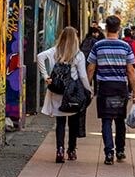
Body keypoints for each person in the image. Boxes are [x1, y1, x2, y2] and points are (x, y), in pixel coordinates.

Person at [87, 16, 135, 165]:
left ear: (106, 28)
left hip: (104, 88)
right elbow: (130, 71)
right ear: (119, 28)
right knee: (120, 119)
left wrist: (87, 87)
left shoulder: (98, 46)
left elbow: (91, 68)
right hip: (120, 88)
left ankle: (108, 152)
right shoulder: (125, 47)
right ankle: (120, 150)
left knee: (106, 120)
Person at [37, 27, 93, 163]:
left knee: (60, 122)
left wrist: (45, 76)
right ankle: (72, 150)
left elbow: (40, 57)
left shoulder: (54, 51)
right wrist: (88, 90)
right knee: (73, 122)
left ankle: (60, 150)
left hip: (57, 92)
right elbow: (83, 76)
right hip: (72, 94)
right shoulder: (78, 55)